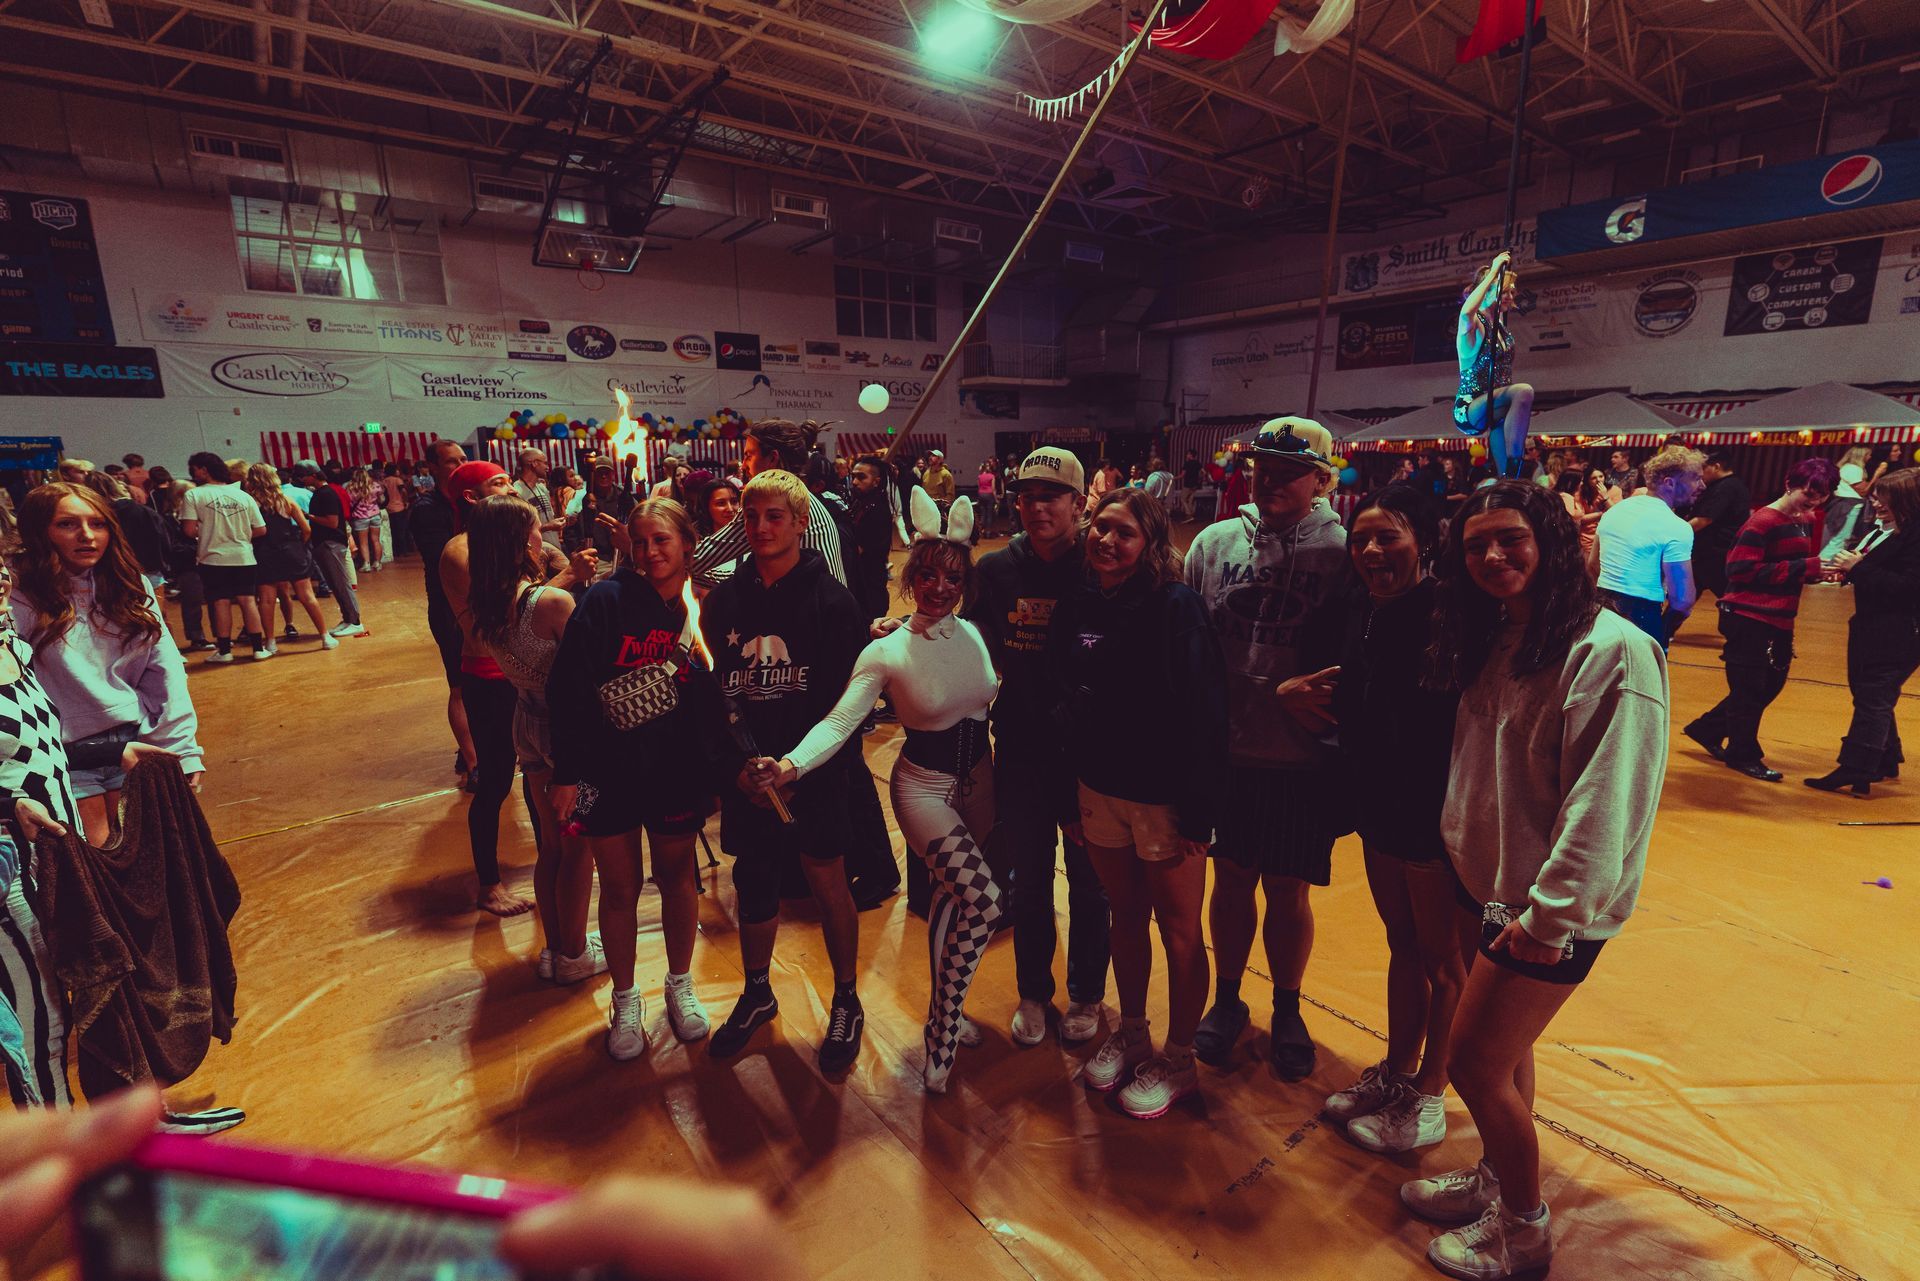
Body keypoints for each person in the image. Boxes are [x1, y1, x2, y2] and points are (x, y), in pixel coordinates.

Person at [1402, 480, 1668, 1281]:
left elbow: (1604, 801)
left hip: (1549, 911)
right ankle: (1494, 1177)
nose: (1492, 555)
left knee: (1474, 1062)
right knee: (1507, 1058)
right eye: (1475, 544)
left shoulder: (1612, 650)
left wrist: (1552, 918)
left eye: (1510, 538)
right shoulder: (1505, 637)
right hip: (1494, 888)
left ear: (1552, 541)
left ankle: (1524, 1230)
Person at [750, 492, 1001, 1094]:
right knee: (985, 902)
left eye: (953, 576)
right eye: (928, 575)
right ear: (910, 578)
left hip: (981, 785)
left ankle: (950, 1009)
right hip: (924, 789)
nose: (940, 587)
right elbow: (840, 722)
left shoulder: (972, 632)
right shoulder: (885, 649)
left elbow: (988, 691)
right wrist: (790, 764)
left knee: (952, 901)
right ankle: (941, 1029)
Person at [1047, 488, 1227, 1120]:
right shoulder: (1081, 601)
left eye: (1124, 532)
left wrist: (1200, 812)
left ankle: (1180, 1060)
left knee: (1180, 933)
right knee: (1125, 915)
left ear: (1150, 544)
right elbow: (1065, 695)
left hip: (1163, 801)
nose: (1107, 540)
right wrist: (1069, 783)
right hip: (1100, 791)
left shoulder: (1177, 607)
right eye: (1101, 528)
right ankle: (1134, 1032)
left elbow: (1206, 712)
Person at [1184, 419, 1349, 1082]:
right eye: (1264, 466)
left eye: (1290, 469)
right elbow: (1188, 638)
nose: (1273, 479)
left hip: (1299, 757)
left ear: (1322, 478)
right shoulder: (1215, 541)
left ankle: (1287, 1005)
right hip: (1228, 751)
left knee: (1288, 887)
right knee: (1230, 879)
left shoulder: (1341, 550)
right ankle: (1227, 999)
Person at [698, 470, 869, 1073]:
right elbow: (715, 700)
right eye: (751, 517)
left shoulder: (832, 603)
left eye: (775, 516)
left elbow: (848, 706)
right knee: (755, 883)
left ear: (801, 522)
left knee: (828, 881)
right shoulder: (722, 602)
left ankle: (847, 996)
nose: (762, 528)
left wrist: (801, 767)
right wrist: (733, 771)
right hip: (750, 780)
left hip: (812, 776)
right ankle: (757, 991)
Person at [1316, 485, 1465, 1155]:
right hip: (1378, 805)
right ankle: (1399, 1070)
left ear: (1425, 539)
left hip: (1432, 816)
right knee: (1402, 944)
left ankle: (1432, 1090)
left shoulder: (1447, 613)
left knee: (1444, 959)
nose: (1372, 550)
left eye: (1389, 537)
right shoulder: (1361, 606)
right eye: (1362, 538)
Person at [549, 498, 724, 1059]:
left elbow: (719, 698)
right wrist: (567, 774)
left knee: (678, 878)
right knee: (620, 888)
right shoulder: (605, 599)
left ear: (687, 544)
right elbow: (569, 690)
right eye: (641, 541)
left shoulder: (705, 607)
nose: (650, 552)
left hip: (677, 767)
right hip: (607, 768)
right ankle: (626, 997)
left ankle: (680, 984)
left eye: (662, 541)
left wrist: (718, 768)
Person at [971, 447, 1110, 1048]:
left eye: (1051, 496)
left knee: (1088, 881)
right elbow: (975, 650)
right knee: (1027, 879)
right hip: (1022, 750)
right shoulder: (998, 569)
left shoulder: (1101, 566)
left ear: (1080, 503)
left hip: (1089, 758)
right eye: (1026, 496)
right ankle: (1033, 991)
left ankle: (1085, 994)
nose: (1036, 507)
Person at [10, 484, 205, 847]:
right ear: (40, 531)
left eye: (98, 524)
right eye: (67, 524)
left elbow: (164, 672)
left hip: (136, 742)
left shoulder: (130, 585)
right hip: (61, 753)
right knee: (98, 872)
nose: (87, 535)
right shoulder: (16, 596)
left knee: (151, 868)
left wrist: (181, 748)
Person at [464, 494, 602, 983]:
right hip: (564, 732)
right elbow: (588, 668)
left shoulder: (487, 598)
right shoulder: (549, 601)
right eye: (535, 528)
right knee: (579, 847)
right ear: (524, 539)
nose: (542, 534)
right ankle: (574, 953)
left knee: (552, 846)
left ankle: (555, 945)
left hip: (526, 722)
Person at [1681, 458, 1837, 783]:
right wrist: (1805, 568)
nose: (1811, 498)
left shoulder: (1799, 520)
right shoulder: (1763, 520)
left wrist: (1814, 572)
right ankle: (1743, 753)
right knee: (1750, 690)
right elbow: (1738, 570)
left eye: (1819, 494)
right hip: (1748, 615)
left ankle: (1707, 729)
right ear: (1789, 483)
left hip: (1777, 617)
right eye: (1806, 490)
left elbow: (1786, 566)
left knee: (1767, 687)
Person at [437, 460, 540, 919]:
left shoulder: (513, 541)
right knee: (496, 780)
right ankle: (489, 885)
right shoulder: (462, 551)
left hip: (526, 676)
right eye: (499, 483)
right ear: (472, 498)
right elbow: (494, 627)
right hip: (491, 678)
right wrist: (565, 582)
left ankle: (550, 865)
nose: (511, 488)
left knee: (541, 775)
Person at [1808, 469, 1919, 795]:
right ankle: (1885, 757)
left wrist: (1859, 567)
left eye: (1884, 498)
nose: (1876, 502)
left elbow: (1909, 587)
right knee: (1873, 693)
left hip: (1897, 632)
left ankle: (1857, 767)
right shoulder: (1891, 531)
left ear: (1904, 500)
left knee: (1873, 695)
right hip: (1875, 625)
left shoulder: (1913, 537)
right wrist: (1849, 572)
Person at [692, 421, 846, 589]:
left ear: (773, 458)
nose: (743, 465)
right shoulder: (800, 496)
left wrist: (671, 564)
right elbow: (767, 575)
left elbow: (698, 561)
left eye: (749, 456)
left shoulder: (767, 501)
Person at [411, 440, 478, 789]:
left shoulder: (473, 502)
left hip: (486, 604)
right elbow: (447, 560)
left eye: (464, 459)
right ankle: (472, 762)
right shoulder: (426, 509)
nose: (460, 465)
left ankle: (478, 748)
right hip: (450, 607)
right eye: (452, 461)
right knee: (461, 686)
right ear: (433, 467)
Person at [1593, 445, 1702, 646]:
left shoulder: (1614, 512)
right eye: (1695, 478)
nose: (1702, 485)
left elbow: (1593, 567)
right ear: (1669, 483)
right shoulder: (1676, 527)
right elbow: (1683, 600)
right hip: (1642, 615)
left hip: (1601, 610)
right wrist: (1664, 628)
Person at [179, 453, 270, 662]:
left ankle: (225, 652)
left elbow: (188, 530)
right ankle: (258, 649)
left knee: (220, 603)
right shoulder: (244, 496)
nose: (193, 472)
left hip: (213, 558)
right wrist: (239, 536)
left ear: (203, 469)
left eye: (194, 468)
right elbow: (261, 529)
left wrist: (210, 533)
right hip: (243, 556)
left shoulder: (194, 495)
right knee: (248, 601)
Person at [1452, 251, 1535, 478]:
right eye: (1504, 291)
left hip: (1496, 407)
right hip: (1470, 409)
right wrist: (1494, 269)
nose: (1510, 296)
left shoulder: (1499, 326)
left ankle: (1509, 478)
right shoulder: (1475, 325)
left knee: (1508, 478)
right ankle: (1516, 460)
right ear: (1488, 291)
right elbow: (1467, 311)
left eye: (1511, 291)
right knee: (1523, 391)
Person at [240, 464, 334, 651]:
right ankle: (325, 637)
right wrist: (298, 543)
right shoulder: (286, 501)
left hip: (264, 552)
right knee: (307, 596)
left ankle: (271, 642)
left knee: (266, 600)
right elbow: (306, 529)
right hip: (291, 551)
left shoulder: (249, 503)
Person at [290, 463, 367, 640]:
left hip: (332, 543)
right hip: (327, 543)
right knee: (335, 584)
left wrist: (308, 516)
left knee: (341, 583)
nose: (301, 480)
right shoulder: (321, 493)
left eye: (303, 476)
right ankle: (348, 619)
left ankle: (355, 622)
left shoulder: (327, 494)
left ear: (314, 475)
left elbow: (332, 522)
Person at [1685, 453, 1751, 604]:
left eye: (1704, 468)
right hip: (1712, 552)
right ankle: (1665, 627)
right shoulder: (1730, 485)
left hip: (1717, 553)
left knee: (1730, 598)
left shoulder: (1727, 486)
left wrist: (1676, 532)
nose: (1701, 473)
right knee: (1687, 597)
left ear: (1716, 467)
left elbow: (1704, 519)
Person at [844, 456, 896, 622]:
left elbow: (858, 549)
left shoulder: (877, 510)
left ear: (876, 481)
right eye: (853, 476)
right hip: (859, 585)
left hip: (869, 589)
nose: (854, 482)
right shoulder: (861, 503)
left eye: (861, 477)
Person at [566, 460, 637, 569]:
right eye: (600, 473)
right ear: (593, 474)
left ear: (612, 474)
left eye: (606, 472)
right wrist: (575, 550)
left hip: (621, 558)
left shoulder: (624, 497)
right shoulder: (582, 498)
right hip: (595, 559)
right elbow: (570, 528)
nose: (603, 476)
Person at [512, 448, 565, 549]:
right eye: (545, 463)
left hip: (554, 548)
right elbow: (519, 531)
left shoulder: (541, 487)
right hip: (536, 551)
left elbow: (548, 517)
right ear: (534, 463)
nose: (547, 467)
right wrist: (548, 527)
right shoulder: (516, 491)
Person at [344, 466, 385, 571]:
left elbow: (349, 503)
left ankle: (366, 564)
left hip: (360, 517)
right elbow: (381, 496)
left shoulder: (351, 488)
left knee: (363, 542)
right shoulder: (375, 485)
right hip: (375, 514)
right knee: (376, 540)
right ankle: (378, 563)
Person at [688, 473, 741, 539]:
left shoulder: (748, 535)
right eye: (721, 503)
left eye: (734, 501)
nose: (730, 509)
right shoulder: (695, 540)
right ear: (706, 508)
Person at [383, 461, 414, 557]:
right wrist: (406, 501)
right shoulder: (397, 480)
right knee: (402, 530)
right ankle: (404, 550)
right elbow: (403, 491)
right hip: (399, 507)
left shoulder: (384, 481)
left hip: (388, 508)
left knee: (393, 531)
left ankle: (396, 551)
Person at [975, 459, 998, 534]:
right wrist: (996, 499)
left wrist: (978, 498)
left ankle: (981, 531)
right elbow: (993, 489)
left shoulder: (980, 476)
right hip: (989, 495)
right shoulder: (992, 476)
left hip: (981, 495)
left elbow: (978, 488)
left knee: (983, 513)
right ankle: (988, 532)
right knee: (989, 514)